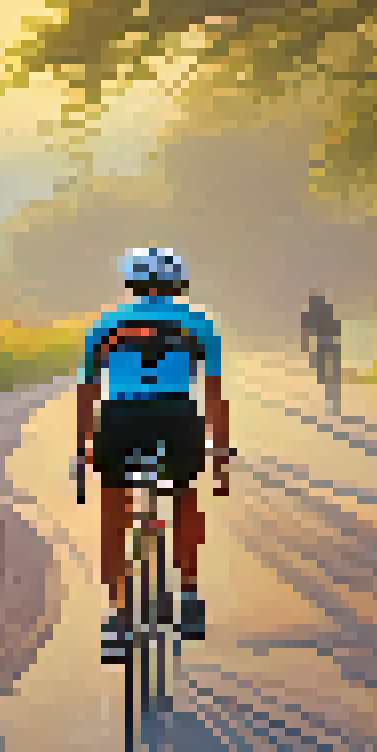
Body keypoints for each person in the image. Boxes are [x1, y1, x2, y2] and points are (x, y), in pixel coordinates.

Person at [77, 246, 230, 664]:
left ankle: (116, 618)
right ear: (178, 284)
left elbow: (88, 390)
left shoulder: (106, 324)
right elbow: (214, 394)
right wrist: (220, 453)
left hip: (120, 418)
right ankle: (190, 598)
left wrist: (82, 447)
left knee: (113, 513)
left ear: (130, 284)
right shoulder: (198, 324)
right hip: (176, 416)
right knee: (184, 498)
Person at [301, 289, 342, 413]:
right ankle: (332, 401)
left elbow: (306, 331)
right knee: (329, 374)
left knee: (326, 373)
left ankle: (331, 401)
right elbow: (336, 326)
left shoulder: (312, 313)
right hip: (329, 345)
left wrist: (306, 347)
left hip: (325, 345)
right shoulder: (325, 311)